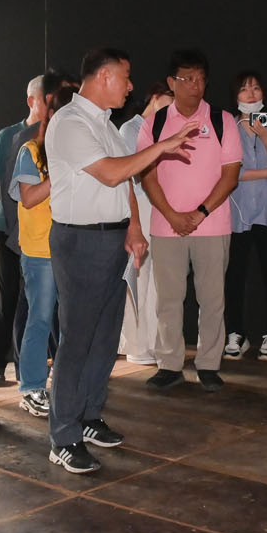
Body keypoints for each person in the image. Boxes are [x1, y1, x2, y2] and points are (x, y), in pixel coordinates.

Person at [45, 48, 200, 473]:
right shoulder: (70, 122)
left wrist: (133, 227)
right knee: (78, 339)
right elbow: (112, 171)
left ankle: (89, 416)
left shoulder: (105, 124)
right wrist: (162, 147)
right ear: (103, 77)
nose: (131, 87)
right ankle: (63, 436)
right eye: (125, 77)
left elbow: (125, 182)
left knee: (105, 337)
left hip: (112, 239)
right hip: (80, 241)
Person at [139, 50, 242, 392]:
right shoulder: (154, 123)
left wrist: (200, 213)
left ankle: (209, 364)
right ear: (171, 82)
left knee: (212, 299)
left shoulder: (222, 120)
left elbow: (230, 175)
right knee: (169, 299)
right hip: (166, 226)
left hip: (212, 225)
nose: (195, 86)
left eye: (201, 79)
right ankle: (169, 364)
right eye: (187, 79)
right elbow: (147, 175)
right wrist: (172, 215)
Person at [9, 73, 79, 418]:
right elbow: (29, 197)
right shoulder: (31, 150)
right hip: (40, 251)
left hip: (73, 247)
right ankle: (32, 387)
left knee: (70, 323)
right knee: (39, 319)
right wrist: (60, 173)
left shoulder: (81, 150)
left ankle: (65, 385)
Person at [224, 70, 267, 363]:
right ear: (236, 96)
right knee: (234, 277)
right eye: (244, 89)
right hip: (237, 215)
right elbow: (228, 172)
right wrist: (266, 173)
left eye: (255, 88)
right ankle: (236, 333)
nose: (251, 94)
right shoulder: (228, 128)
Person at [0, 75, 46, 387]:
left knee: (34, 303)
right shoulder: (8, 136)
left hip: (43, 234)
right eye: (46, 99)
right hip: (9, 232)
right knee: (5, 299)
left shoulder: (56, 136)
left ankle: (31, 369)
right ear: (31, 101)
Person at [117, 84, 172, 365]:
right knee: (138, 276)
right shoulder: (131, 129)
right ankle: (136, 346)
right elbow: (128, 173)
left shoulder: (166, 131)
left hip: (160, 208)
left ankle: (152, 342)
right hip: (138, 205)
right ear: (154, 97)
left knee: (156, 281)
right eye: (168, 100)